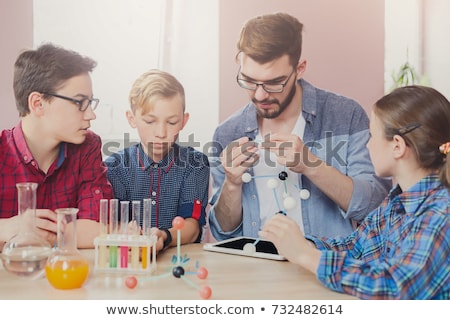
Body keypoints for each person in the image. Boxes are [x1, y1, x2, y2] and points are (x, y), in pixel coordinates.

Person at [208, 12, 391, 240]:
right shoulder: (227, 133)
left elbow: (375, 208)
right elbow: (223, 233)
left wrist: (310, 165)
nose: (260, 94)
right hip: (254, 267)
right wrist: (232, 183)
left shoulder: (346, 116)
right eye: (249, 81)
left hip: (324, 268)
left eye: (274, 82)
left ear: (300, 68)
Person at [260, 85, 450, 299]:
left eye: (371, 135)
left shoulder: (441, 214)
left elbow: (394, 288)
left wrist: (307, 256)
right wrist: (297, 243)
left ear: (397, 145)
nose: (368, 145)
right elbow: (355, 247)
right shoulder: (396, 203)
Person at [0, 43, 113, 249]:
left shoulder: (88, 146)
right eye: (80, 103)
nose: (91, 115)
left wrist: (39, 234)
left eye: (90, 102)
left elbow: (99, 227)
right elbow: (85, 232)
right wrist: (4, 228)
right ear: (38, 104)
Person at [105, 69, 209, 254]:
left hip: (180, 260)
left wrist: (164, 237)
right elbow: (114, 223)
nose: (161, 133)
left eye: (171, 122)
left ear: (184, 121)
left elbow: (192, 228)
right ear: (132, 118)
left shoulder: (195, 164)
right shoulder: (114, 167)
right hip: (131, 259)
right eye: (150, 121)